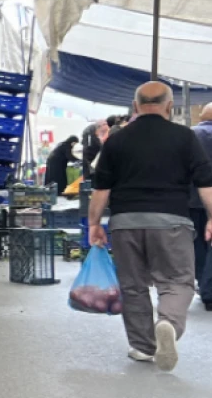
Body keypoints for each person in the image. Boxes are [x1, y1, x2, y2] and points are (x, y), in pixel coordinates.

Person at [88, 82, 212, 371]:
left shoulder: (117, 140)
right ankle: (167, 323)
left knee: (134, 286)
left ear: (135, 107)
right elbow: (206, 183)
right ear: (170, 106)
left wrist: (94, 223)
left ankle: (143, 347)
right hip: (171, 222)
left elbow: (101, 189)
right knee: (177, 281)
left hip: (125, 222)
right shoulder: (185, 136)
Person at [194, 103, 212, 309]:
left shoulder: (191, 134)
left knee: (197, 242)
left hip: (191, 197)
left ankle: (202, 281)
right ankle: (208, 288)